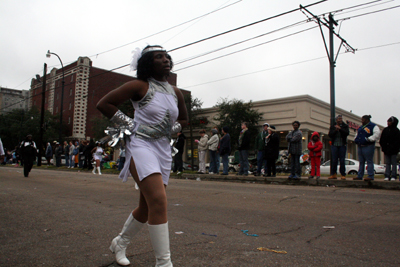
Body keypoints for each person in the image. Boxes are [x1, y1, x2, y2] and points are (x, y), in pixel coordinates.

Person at [96, 45, 188, 266]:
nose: (165, 60)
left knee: (148, 207)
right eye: (159, 57)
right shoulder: (138, 86)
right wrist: (131, 124)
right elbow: (104, 104)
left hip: (163, 149)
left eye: (167, 57)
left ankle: (120, 242)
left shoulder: (176, 92)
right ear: (147, 63)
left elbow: (184, 120)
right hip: (141, 145)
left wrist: (169, 130)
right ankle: (164, 263)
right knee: (158, 200)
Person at [353, 115, 381, 181]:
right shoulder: (361, 127)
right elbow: (357, 134)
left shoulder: (373, 126)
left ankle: (370, 175)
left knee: (369, 161)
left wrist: (369, 139)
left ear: (367, 120)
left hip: (368, 146)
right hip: (360, 146)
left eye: (363, 120)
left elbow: (377, 134)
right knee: (361, 161)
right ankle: (360, 175)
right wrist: (355, 139)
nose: (362, 121)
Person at [328, 115, 350, 180]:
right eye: (339, 119)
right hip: (334, 144)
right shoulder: (333, 126)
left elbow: (347, 133)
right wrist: (335, 130)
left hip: (342, 145)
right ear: (336, 120)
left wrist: (340, 129)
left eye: (341, 119)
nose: (340, 120)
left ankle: (343, 174)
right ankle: (333, 174)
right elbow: (330, 134)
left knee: (342, 160)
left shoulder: (345, 126)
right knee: (334, 160)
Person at [379, 116, 400, 181]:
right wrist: (384, 147)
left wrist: (394, 148)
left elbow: (398, 141)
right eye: (388, 121)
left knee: (393, 163)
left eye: (390, 121)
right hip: (386, 150)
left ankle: (393, 176)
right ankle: (387, 175)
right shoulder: (385, 130)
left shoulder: (397, 131)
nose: (388, 123)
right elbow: (382, 140)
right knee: (387, 163)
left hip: (394, 150)